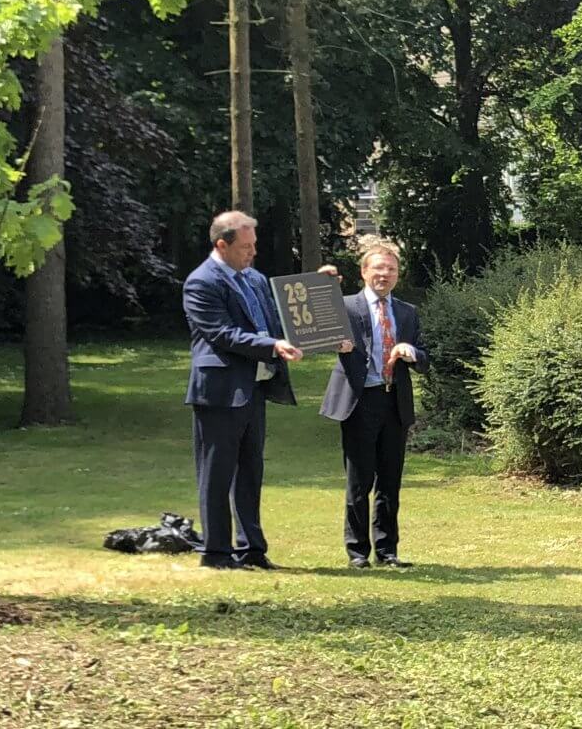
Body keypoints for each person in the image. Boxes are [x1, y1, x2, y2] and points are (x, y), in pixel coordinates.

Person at [183, 211, 345, 571]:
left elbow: (280, 317)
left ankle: (252, 550)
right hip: (220, 392)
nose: (252, 253)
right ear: (221, 245)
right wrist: (273, 346)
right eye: (245, 247)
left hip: (252, 389)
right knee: (217, 473)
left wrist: (316, 286)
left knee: (250, 471)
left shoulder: (253, 279)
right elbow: (223, 334)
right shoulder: (201, 282)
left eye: (254, 245)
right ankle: (216, 553)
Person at [320, 242, 430, 569]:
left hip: (394, 401)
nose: (384, 275)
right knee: (359, 481)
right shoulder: (345, 307)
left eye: (391, 270)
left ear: (398, 275)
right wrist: (334, 342)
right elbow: (313, 332)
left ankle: (387, 551)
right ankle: (357, 553)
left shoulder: (407, 312)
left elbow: (425, 357)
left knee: (390, 481)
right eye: (378, 269)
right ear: (364, 272)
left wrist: (412, 352)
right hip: (358, 401)